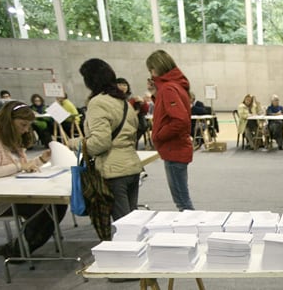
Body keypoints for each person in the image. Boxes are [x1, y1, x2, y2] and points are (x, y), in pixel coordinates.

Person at [0, 100, 66, 259]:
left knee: (57, 205)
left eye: (28, 126)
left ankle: (20, 247)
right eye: (23, 125)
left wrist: (40, 160)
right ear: (8, 121)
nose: (26, 130)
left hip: (11, 189)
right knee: (46, 208)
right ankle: (19, 249)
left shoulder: (9, 135)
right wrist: (20, 166)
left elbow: (21, 165)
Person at [72, 59, 142, 222]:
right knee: (132, 223)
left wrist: (75, 143)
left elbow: (101, 143)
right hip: (131, 165)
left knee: (124, 226)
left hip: (113, 170)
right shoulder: (123, 102)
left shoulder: (98, 103)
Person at [146, 50, 194, 211]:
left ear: (157, 68)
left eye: (151, 70)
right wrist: (155, 95)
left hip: (174, 149)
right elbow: (168, 112)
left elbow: (180, 120)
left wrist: (159, 136)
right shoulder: (174, 86)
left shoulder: (168, 88)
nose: (151, 75)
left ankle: (193, 231)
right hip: (177, 148)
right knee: (183, 199)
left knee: (182, 202)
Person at [117, 78, 149, 149]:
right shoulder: (113, 99)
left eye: (125, 85)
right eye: (120, 84)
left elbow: (145, 110)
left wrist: (143, 102)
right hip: (121, 124)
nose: (122, 87)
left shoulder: (132, 98)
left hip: (135, 124)